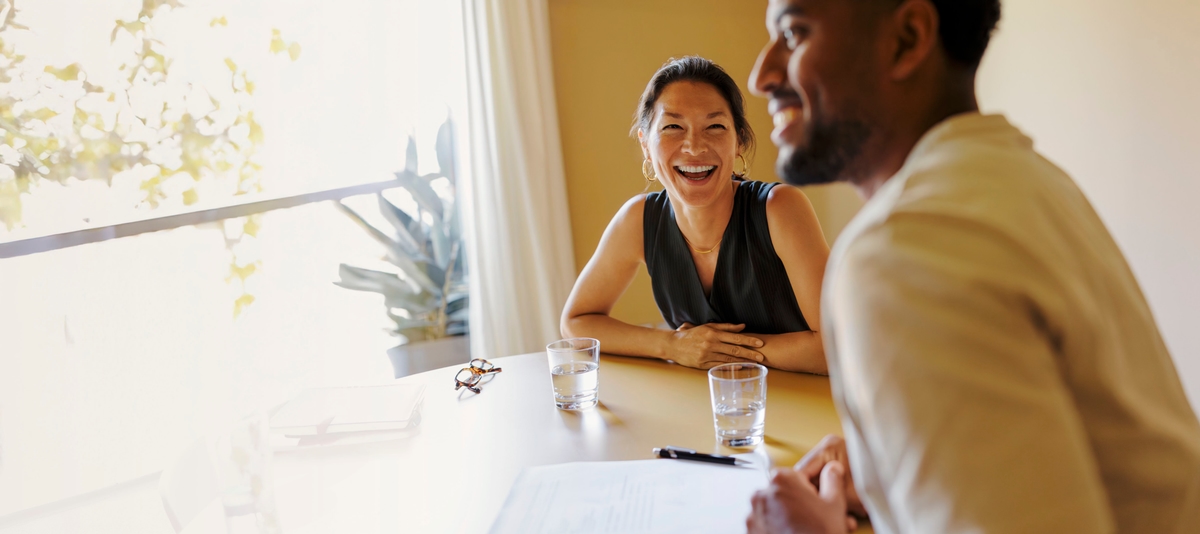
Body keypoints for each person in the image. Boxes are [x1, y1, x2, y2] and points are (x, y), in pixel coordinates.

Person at [743, 0, 1200, 533]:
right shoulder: (1022, 181)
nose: (761, 76)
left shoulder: (905, 251)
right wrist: (897, 469)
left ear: (908, 40)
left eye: (795, 33)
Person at [560, 56, 831, 373]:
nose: (694, 147)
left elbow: (836, 346)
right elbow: (576, 323)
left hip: (808, 407)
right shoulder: (639, 219)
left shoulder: (780, 208)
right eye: (673, 127)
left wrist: (715, 351)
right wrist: (672, 345)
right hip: (708, 406)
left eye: (715, 126)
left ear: (739, 141)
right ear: (646, 145)